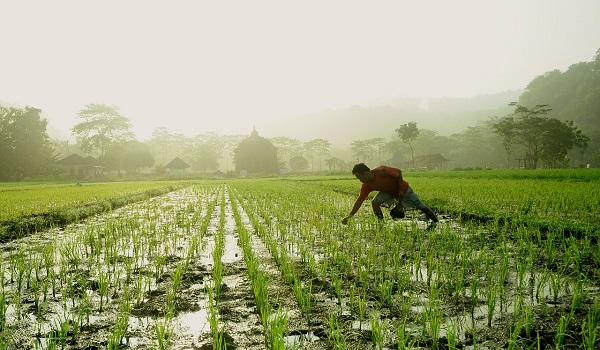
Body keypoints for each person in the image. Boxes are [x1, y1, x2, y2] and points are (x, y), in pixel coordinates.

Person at [341, 163, 438, 224]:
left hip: (404, 189)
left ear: (365, 174)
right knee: (375, 202)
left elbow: (398, 173)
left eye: (360, 178)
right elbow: (359, 201)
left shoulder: (382, 170)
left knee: (421, 206)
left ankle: (436, 221)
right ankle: (380, 223)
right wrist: (350, 216)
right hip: (388, 192)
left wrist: (400, 190)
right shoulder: (367, 185)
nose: (360, 181)